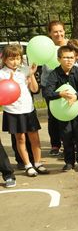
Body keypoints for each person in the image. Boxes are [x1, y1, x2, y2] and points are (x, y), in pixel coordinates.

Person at [0, 44, 47, 177]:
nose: (15, 61)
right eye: (11, 59)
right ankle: (27, 165)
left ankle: (38, 163)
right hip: (13, 111)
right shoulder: (1, 74)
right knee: (20, 139)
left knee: (35, 138)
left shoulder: (25, 70)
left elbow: (34, 89)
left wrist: (31, 75)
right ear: (4, 59)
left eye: (18, 58)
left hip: (28, 109)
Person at [41, 46, 78, 172]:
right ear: (59, 59)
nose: (69, 60)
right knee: (66, 135)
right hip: (62, 112)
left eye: (71, 57)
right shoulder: (54, 74)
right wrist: (60, 94)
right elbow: (47, 92)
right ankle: (69, 162)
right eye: (66, 57)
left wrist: (76, 96)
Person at [46, 20, 68, 156]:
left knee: (71, 117)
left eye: (60, 31)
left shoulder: (71, 45)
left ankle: (72, 144)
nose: (58, 34)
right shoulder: (45, 47)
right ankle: (55, 144)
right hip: (51, 87)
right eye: (55, 31)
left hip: (69, 86)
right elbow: (45, 69)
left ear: (64, 31)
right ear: (50, 33)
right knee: (53, 118)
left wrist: (69, 63)